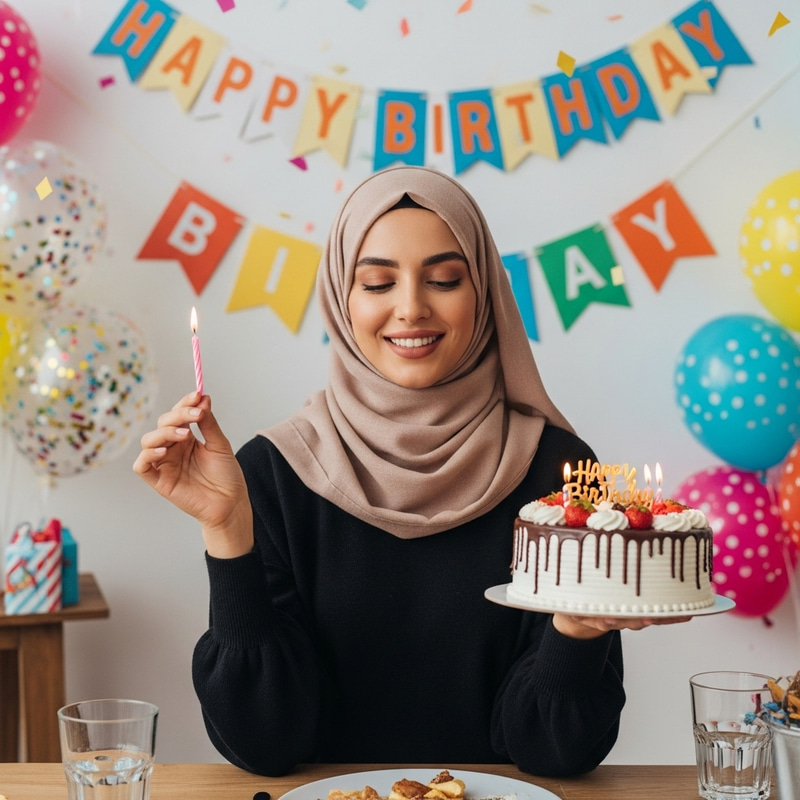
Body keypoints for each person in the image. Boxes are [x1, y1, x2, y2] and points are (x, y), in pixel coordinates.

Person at [134, 166, 688, 778]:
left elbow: (557, 753)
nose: (411, 309)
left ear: (486, 294)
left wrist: (576, 630)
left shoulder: (562, 473)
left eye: (445, 278)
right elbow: (267, 744)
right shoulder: (271, 473)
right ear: (340, 302)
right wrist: (227, 532)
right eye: (376, 283)